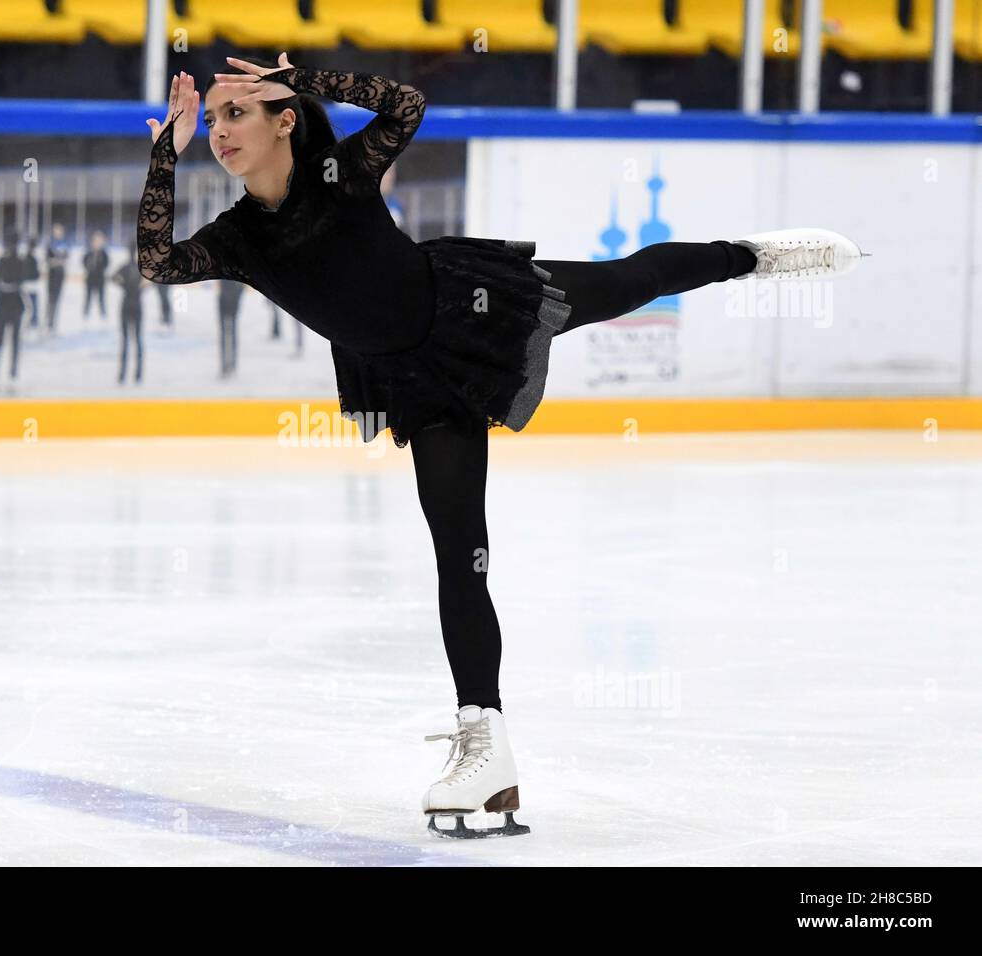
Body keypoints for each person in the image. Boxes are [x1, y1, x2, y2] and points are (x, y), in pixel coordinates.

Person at [137, 57, 867, 838]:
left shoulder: (337, 171)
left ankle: (753, 256)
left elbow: (406, 105)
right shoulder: (239, 238)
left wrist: (307, 77)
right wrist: (163, 156)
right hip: (416, 383)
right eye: (211, 120)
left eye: (236, 113)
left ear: (284, 119)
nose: (220, 133)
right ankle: (486, 746)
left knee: (629, 279)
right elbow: (156, 261)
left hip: (473, 306)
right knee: (461, 556)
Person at [0, 228, 26, 393]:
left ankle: (12, 370)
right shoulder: (1, 261)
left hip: (13, 304)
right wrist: (5, 286)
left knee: (13, 340)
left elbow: (20, 280)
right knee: (1, 339)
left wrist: (7, 286)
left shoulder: (18, 261)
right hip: (5, 304)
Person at [112, 239, 146, 384]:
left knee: (127, 341)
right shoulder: (143, 268)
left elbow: (113, 278)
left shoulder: (125, 267)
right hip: (135, 305)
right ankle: (137, 374)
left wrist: (123, 285)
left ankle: (124, 374)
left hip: (127, 304)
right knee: (136, 340)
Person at [45, 223, 68, 335]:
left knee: (56, 300)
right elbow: (48, 260)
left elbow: (65, 260)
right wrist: (56, 262)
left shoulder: (65, 245)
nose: (58, 232)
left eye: (60, 230)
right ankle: (48, 323)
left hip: (60, 274)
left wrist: (59, 262)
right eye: (56, 230)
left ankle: (53, 324)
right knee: (50, 299)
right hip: (52, 274)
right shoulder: (50, 244)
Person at [217, 278, 243, 378]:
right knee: (226, 334)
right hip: (224, 300)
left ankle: (231, 364)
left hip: (231, 301)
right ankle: (226, 364)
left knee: (230, 333)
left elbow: (241, 288)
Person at [82, 230, 109, 320]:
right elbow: (83, 262)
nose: (97, 243)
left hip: (100, 278)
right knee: (88, 296)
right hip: (90, 277)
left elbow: (106, 264)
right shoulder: (88, 252)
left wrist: (99, 269)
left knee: (101, 297)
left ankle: (103, 313)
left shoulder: (104, 253)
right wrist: (89, 268)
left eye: (99, 241)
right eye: (96, 241)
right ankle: (85, 313)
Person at [21, 234, 42, 335]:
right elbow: (33, 272)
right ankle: (31, 322)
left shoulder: (30, 256)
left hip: (31, 284)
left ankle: (33, 321)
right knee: (30, 305)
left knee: (33, 305)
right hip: (29, 284)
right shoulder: (29, 257)